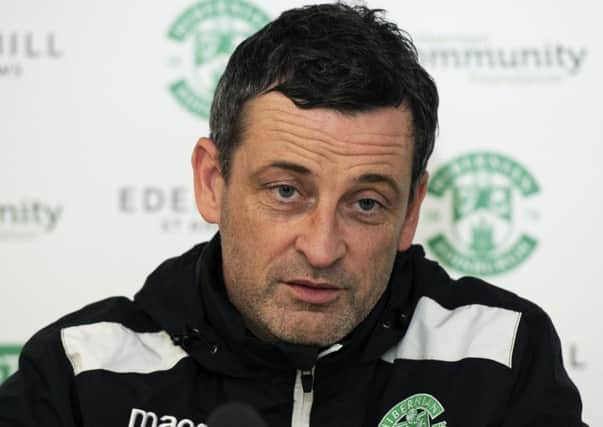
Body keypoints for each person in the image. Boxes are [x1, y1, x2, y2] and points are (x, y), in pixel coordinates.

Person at [0, 3, 587, 426]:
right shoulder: (80, 371)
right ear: (212, 182)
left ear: (411, 213)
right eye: (286, 191)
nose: (322, 247)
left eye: (365, 203)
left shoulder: (501, 354)